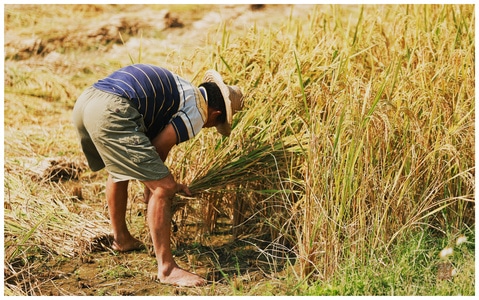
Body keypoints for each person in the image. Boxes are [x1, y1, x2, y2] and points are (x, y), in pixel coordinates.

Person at [72, 64, 243, 287]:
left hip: (87, 102)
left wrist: (153, 181)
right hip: (111, 110)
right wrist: (159, 186)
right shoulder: (198, 110)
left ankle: (121, 238)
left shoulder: (183, 89)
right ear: (216, 114)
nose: (210, 127)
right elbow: (160, 147)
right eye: (217, 124)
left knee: (119, 170)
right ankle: (167, 269)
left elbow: (154, 149)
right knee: (164, 187)